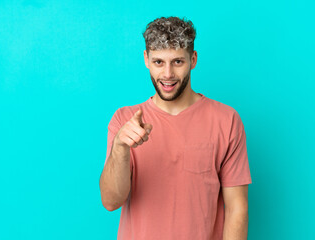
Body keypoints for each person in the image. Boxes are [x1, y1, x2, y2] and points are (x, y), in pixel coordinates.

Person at [99, 16, 252, 240]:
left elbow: (237, 208)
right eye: (159, 62)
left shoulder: (226, 120)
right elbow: (111, 201)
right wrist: (120, 147)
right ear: (146, 59)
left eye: (177, 62)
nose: (168, 74)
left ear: (193, 59)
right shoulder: (124, 120)